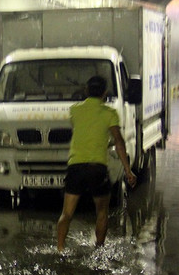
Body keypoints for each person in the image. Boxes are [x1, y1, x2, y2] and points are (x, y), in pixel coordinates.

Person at [57, 75, 136, 251]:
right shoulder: (110, 113)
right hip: (97, 169)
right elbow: (119, 142)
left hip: (75, 167)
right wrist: (128, 170)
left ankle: (60, 249)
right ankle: (98, 249)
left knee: (66, 214)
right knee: (101, 212)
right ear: (105, 93)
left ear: (86, 91)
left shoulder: (75, 110)